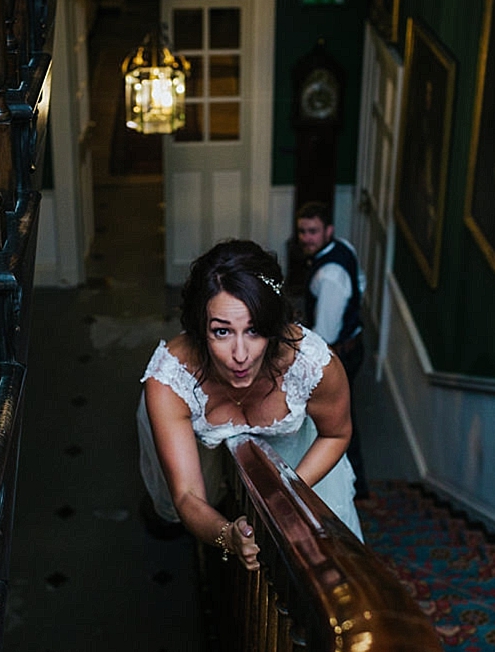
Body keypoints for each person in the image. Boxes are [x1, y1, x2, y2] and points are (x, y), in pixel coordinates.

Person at [136, 239, 364, 571]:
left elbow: (336, 435)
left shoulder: (314, 366)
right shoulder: (170, 380)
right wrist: (226, 536)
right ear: (200, 328)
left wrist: (285, 495)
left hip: (305, 464)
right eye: (222, 332)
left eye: (255, 330)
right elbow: (187, 496)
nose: (241, 356)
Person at [294, 201, 369, 499]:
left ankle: (353, 486)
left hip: (342, 353)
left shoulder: (329, 276)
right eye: (302, 231)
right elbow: (360, 284)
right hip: (355, 340)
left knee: (337, 422)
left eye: (313, 232)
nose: (306, 238)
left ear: (328, 230)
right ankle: (357, 484)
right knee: (345, 417)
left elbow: (323, 337)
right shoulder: (344, 247)